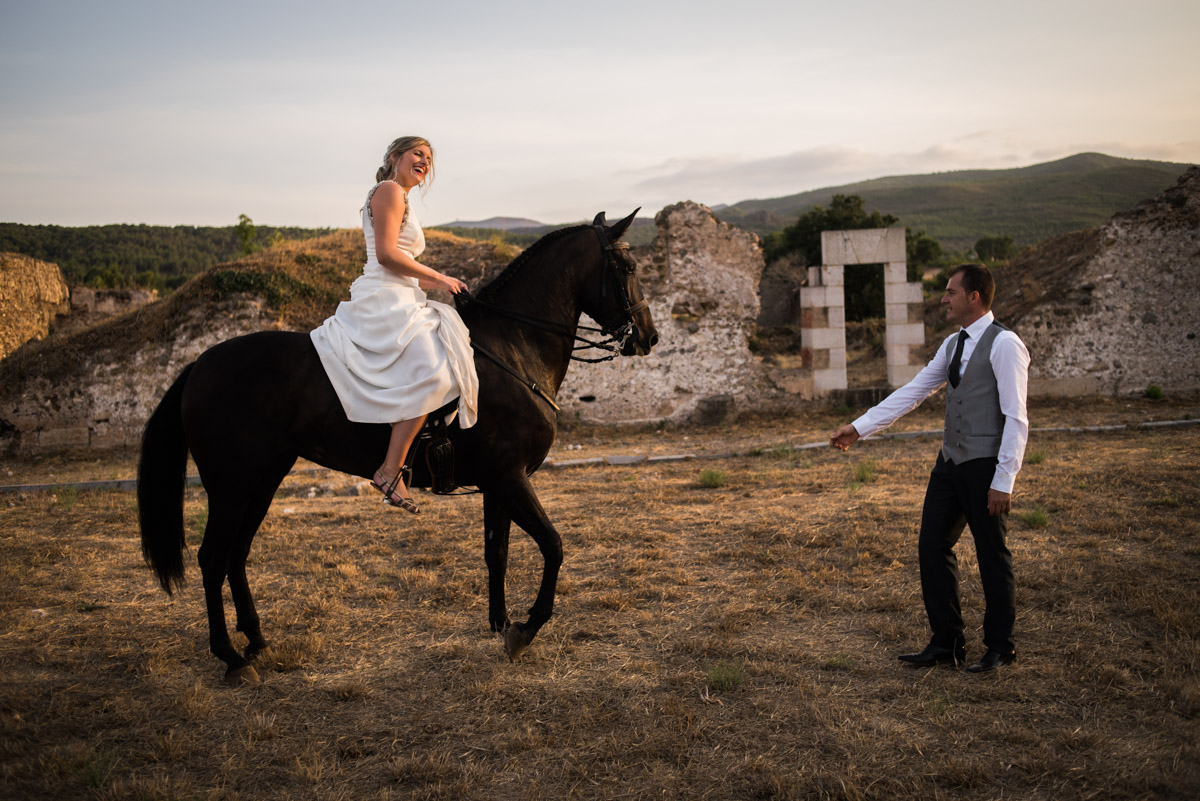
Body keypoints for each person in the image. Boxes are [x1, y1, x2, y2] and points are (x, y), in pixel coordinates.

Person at [829, 264, 1030, 673]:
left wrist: (1003, 480)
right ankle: (947, 643)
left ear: (974, 297)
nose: (944, 298)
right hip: (950, 461)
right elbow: (915, 391)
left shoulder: (1006, 344)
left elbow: (1017, 418)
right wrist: (859, 427)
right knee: (932, 546)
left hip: (985, 466)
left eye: (951, 292)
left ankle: (1000, 646)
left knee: (992, 555)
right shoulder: (953, 344)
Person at [311, 136, 478, 514]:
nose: (424, 161)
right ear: (394, 157)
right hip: (386, 299)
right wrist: (439, 278)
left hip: (402, 294)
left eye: (429, 158)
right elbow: (387, 255)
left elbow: (399, 262)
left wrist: (440, 285)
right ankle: (390, 469)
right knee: (435, 373)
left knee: (447, 348)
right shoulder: (389, 190)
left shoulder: (399, 195)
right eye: (417, 153)